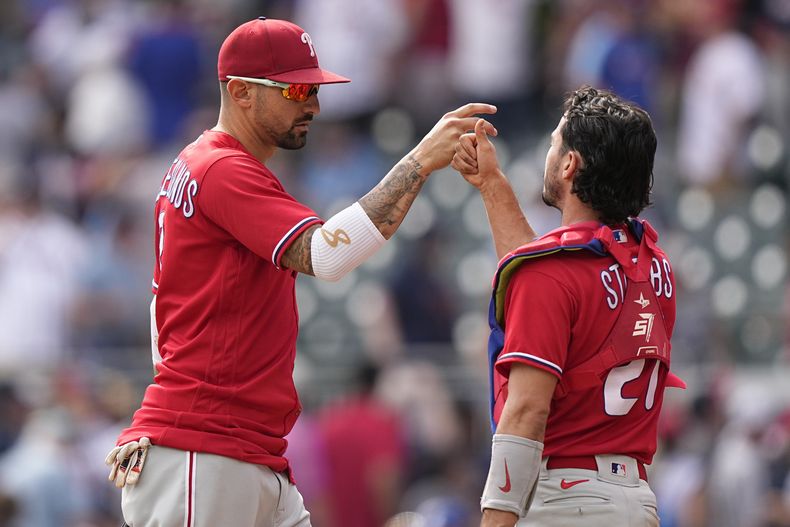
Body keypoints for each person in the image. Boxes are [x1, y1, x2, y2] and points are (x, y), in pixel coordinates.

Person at [103, 16, 496, 527]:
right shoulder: (222, 167)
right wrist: (419, 161)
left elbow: (166, 316)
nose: (312, 103)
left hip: (235, 447)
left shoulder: (202, 164)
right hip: (206, 447)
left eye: (313, 87)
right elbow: (327, 256)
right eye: (295, 88)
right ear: (241, 92)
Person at [451, 85, 685, 527]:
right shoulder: (656, 266)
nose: (550, 150)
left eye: (555, 142)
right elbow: (545, 281)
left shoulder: (552, 274)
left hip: (565, 501)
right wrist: (492, 185)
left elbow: (526, 412)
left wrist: (495, 519)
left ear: (570, 164)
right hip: (636, 498)